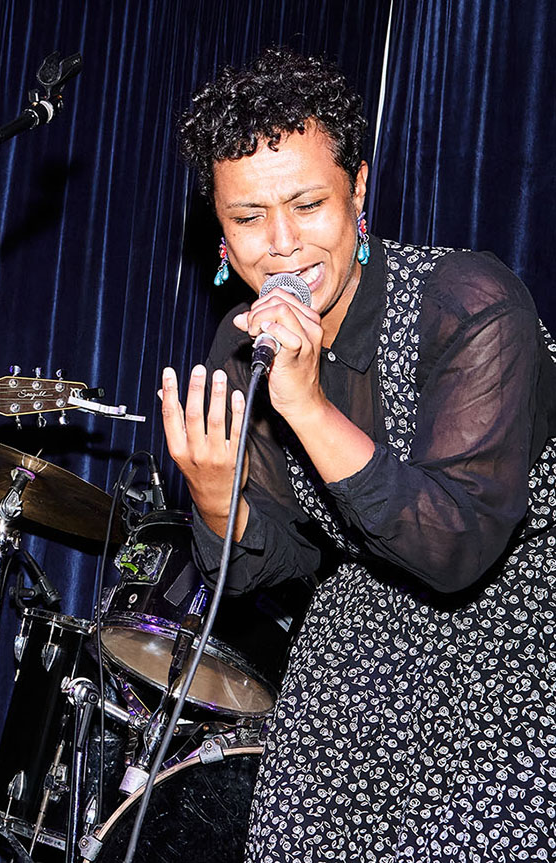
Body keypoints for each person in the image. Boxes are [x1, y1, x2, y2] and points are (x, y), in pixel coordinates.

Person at [160, 47, 556, 861]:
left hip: (513, 640)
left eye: (307, 204)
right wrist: (213, 500)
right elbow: (279, 565)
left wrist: (304, 406)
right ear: (220, 230)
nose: (280, 245)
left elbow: (454, 547)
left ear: (360, 190)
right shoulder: (240, 351)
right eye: (246, 218)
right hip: (357, 635)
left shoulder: (469, 305)